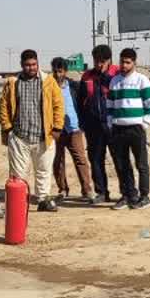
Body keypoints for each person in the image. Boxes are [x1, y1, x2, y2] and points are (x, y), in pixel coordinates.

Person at [0, 49, 67, 212]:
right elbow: (3, 106)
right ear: (22, 65)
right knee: (18, 173)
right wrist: (7, 128)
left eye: (34, 64)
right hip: (19, 136)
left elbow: (58, 105)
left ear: (38, 63)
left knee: (43, 170)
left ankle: (43, 200)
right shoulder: (13, 82)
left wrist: (57, 128)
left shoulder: (48, 81)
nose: (31, 67)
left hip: (44, 136)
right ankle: (18, 203)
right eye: (27, 65)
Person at [107, 47, 150, 208]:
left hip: (136, 129)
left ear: (134, 62)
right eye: (122, 62)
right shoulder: (114, 81)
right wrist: (111, 123)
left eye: (127, 62)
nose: (124, 65)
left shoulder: (142, 80)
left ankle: (144, 196)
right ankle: (127, 195)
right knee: (122, 165)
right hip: (118, 129)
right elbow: (110, 105)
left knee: (141, 164)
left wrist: (144, 124)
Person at [49, 57, 94, 202]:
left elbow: (84, 102)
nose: (57, 74)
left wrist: (83, 122)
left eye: (60, 71)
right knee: (58, 161)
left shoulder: (74, 86)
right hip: (56, 130)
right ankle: (62, 189)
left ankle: (87, 190)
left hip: (74, 128)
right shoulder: (48, 87)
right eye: (55, 71)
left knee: (80, 159)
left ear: (65, 71)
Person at [78, 45, 118, 204]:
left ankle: (127, 193)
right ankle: (101, 192)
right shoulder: (87, 76)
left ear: (109, 60)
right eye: (96, 61)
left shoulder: (117, 74)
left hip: (114, 125)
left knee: (119, 159)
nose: (99, 64)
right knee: (96, 160)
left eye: (102, 61)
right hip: (93, 126)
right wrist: (83, 122)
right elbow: (80, 102)